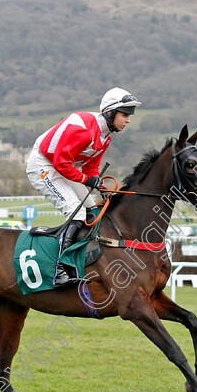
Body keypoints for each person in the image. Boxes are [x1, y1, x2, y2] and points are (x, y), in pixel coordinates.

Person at [25, 87, 140, 286]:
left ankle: (80, 259)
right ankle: (59, 270)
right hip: (44, 165)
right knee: (74, 211)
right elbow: (61, 164)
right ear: (110, 113)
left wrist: (102, 189)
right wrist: (88, 181)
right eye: (125, 115)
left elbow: (92, 166)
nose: (128, 120)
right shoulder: (84, 130)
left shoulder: (106, 135)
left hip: (65, 167)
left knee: (90, 209)